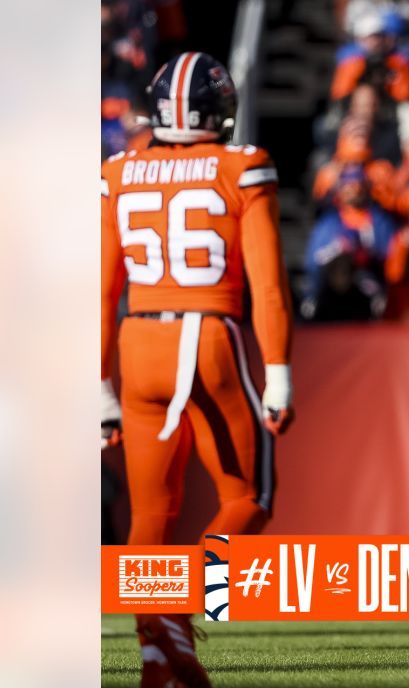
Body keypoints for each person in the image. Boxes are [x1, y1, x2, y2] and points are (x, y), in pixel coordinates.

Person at [100, 52, 295, 688]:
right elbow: (267, 286)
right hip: (206, 335)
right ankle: (178, 610)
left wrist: (99, 385)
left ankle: (155, 652)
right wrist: (279, 373)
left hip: (137, 342)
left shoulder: (120, 170)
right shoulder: (241, 164)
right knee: (249, 497)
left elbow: (100, 290)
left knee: (149, 515)